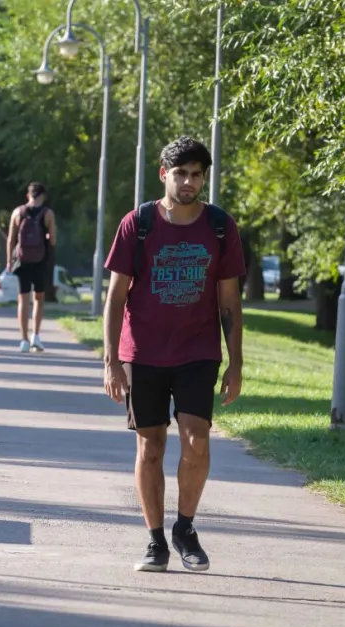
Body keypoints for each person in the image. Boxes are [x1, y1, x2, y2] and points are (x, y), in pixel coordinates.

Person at [102, 136, 245, 573]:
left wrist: (236, 363)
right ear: (164, 174)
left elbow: (229, 302)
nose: (188, 182)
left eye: (196, 175)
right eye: (180, 173)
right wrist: (111, 361)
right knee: (150, 447)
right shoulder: (138, 223)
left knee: (197, 440)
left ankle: (185, 528)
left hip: (197, 351)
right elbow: (116, 296)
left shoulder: (219, 226)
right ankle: (155, 541)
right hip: (143, 351)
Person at [6, 181, 57, 353]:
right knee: (39, 298)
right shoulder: (48, 214)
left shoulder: (18, 212)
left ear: (28, 195)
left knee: (23, 299)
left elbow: (11, 239)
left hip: (22, 261)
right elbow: (53, 240)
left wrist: (9, 261)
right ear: (43, 196)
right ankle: (36, 335)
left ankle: (24, 340)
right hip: (40, 260)